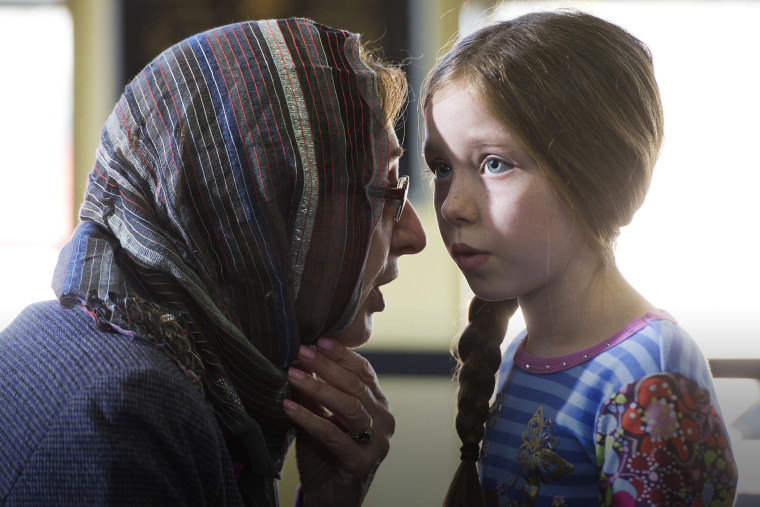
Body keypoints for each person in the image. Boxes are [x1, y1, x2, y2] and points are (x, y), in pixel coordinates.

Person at [0, 17, 425, 506]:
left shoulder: (110, 351)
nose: (414, 235)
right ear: (260, 212)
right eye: (386, 191)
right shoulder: (129, 416)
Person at [421, 9, 738, 507]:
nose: (452, 206)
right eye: (441, 167)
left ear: (594, 175)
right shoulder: (518, 355)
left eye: (494, 164)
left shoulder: (648, 372)